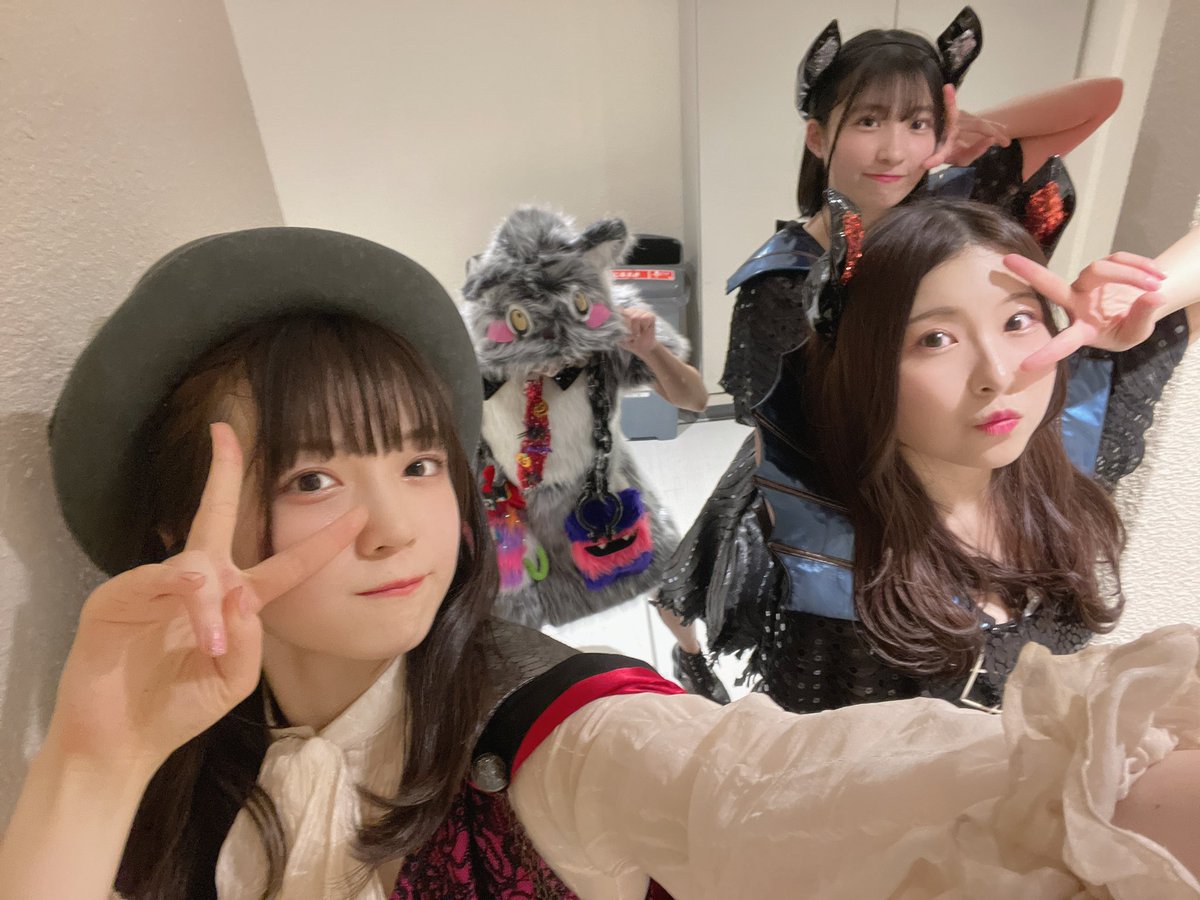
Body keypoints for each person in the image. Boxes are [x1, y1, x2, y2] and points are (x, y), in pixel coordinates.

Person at [3, 225, 1200, 899]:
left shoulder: (547, 737)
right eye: (313, 479)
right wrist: (93, 766)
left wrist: (1111, 793)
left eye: (417, 462)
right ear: (177, 528)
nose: (395, 525)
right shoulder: (180, 766)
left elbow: (753, 781)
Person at [659, 8, 1133, 669]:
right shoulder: (785, 276)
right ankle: (690, 657)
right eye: (868, 121)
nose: (893, 151)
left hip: (946, 449)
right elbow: (788, 428)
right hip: (827, 459)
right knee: (727, 604)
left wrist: (965, 127)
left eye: (915, 123)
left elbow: (1103, 97)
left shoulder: (954, 203)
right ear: (819, 136)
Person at [748, 190, 1200, 713]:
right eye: (936, 339)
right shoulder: (838, 576)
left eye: (1017, 321)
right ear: (863, 368)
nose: (999, 375)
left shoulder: (1070, 436)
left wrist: (1136, 298)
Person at [461, 207, 727, 702]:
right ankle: (538, 690)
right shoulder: (472, 349)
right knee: (518, 611)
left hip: (601, 487)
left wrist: (651, 351)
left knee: (663, 578)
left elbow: (694, 399)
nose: (560, 361)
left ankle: (690, 655)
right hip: (513, 507)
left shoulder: (611, 330)